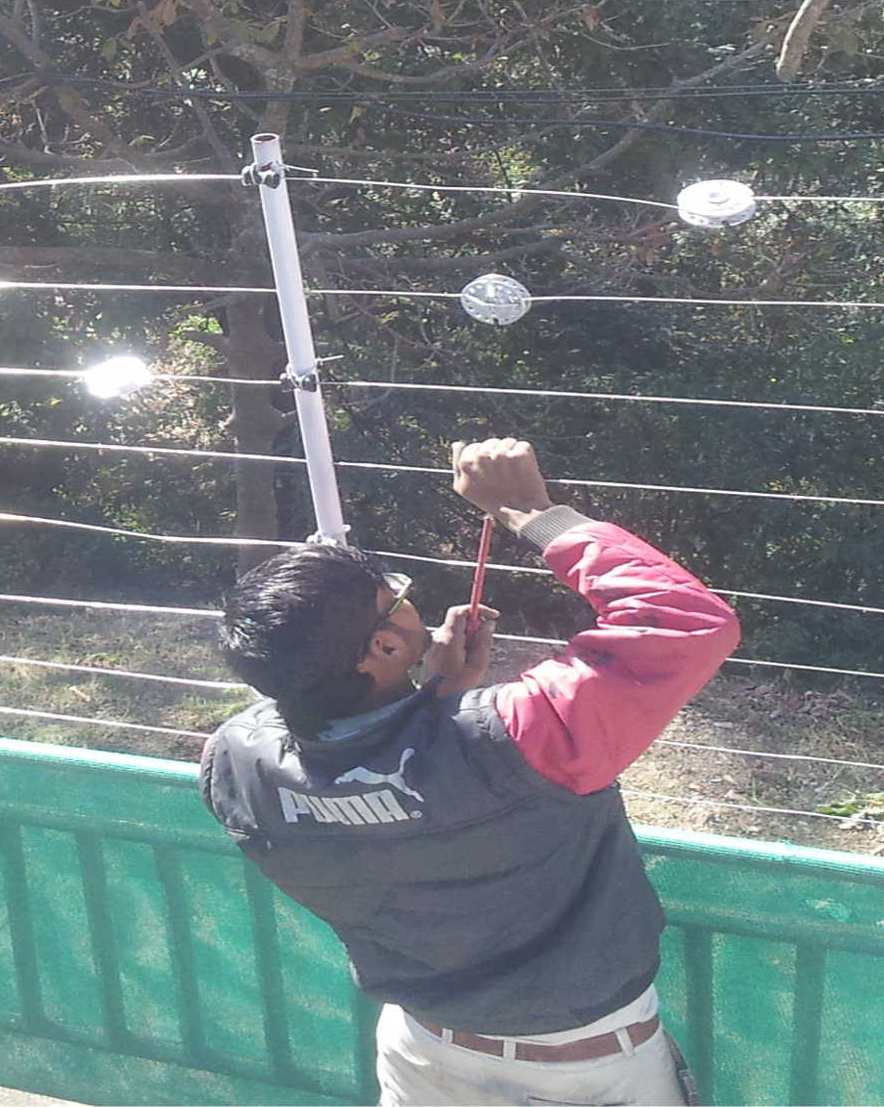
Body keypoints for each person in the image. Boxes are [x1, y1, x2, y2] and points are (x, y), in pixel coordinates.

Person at [200, 439, 740, 1106]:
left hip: (422, 1054)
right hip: (583, 1070)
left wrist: (432, 697)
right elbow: (686, 624)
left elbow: (372, 781)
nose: (407, 600)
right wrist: (535, 511)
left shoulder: (235, 761)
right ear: (385, 646)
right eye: (393, 597)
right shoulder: (519, 736)